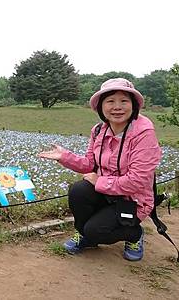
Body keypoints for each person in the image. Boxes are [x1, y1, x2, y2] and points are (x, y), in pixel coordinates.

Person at [37, 78, 161, 261]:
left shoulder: (144, 133)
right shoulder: (98, 131)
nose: (117, 107)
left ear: (134, 105)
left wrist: (100, 181)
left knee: (96, 230)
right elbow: (90, 164)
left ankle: (134, 234)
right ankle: (85, 236)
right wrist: (65, 157)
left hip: (133, 199)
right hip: (107, 192)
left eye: (124, 101)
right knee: (78, 191)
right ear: (101, 106)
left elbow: (137, 181)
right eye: (110, 101)